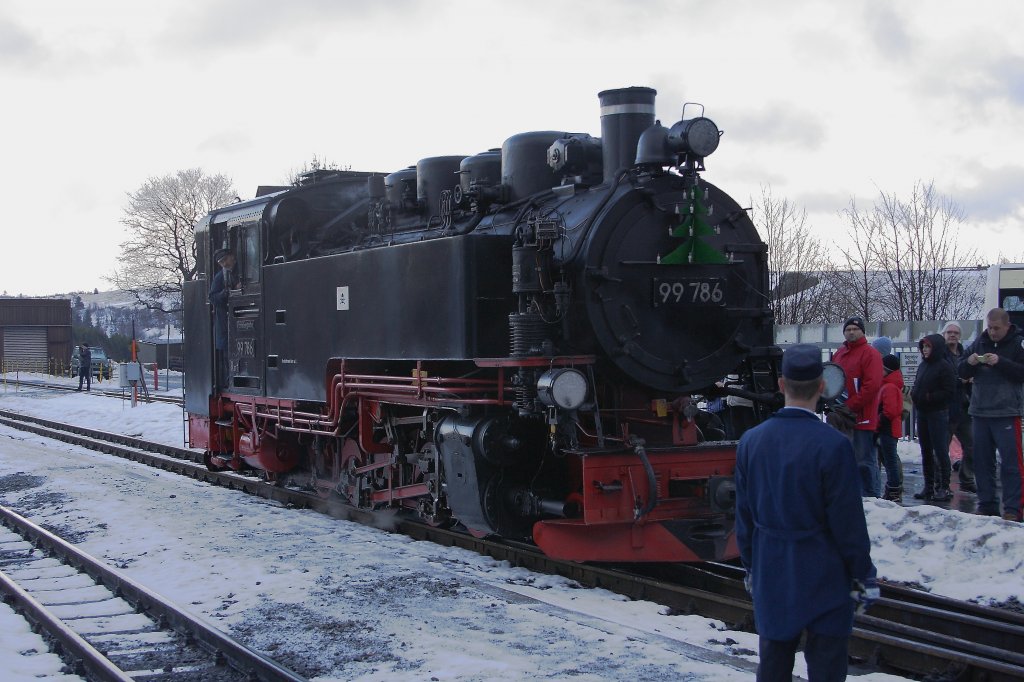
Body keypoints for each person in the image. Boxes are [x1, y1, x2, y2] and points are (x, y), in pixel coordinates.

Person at [736, 343, 878, 681]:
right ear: (822, 386)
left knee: (773, 663)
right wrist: (862, 574)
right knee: (828, 665)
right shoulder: (834, 446)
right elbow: (849, 524)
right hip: (824, 573)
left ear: (781, 385)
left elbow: (744, 519)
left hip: (772, 568)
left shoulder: (750, 442)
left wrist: (751, 566)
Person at [958, 308, 1024, 522]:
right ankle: (987, 504)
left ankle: (1013, 508)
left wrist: (1001, 362)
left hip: (1006, 411)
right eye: (990, 327)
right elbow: (960, 370)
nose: (993, 332)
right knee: (982, 462)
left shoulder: (1017, 344)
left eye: (997, 328)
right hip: (979, 411)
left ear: (1007, 326)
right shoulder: (979, 343)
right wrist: (969, 363)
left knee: (1011, 462)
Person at [832, 315, 884, 497]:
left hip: (862, 416)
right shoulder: (839, 354)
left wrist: (851, 406)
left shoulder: (871, 354)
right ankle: (852, 495)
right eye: (848, 329)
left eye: (855, 329)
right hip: (840, 415)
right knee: (845, 459)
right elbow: (831, 381)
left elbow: (872, 385)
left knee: (865, 460)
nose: (851, 332)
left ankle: (872, 497)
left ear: (862, 331)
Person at [911, 334, 956, 502]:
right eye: (923, 347)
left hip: (937, 413)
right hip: (922, 412)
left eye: (928, 347)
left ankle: (944, 486)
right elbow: (918, 384)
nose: (925, 350)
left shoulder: (944, 366)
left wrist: (930, 397)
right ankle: (928, 486)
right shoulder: (923, 365)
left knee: (941, 450)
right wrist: (916, 395)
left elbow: (949, 391)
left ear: (936, 348)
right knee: (926, 450)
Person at [942, 322, 977, 493]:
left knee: (971, 446)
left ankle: (967, 478)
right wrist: (959, 381)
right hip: (947, 408)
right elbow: (938, 378)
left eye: (955, 332)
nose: (952, 335)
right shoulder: (940, 355)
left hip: (964, 407)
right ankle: (941, 481)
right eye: (949, 332)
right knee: (941, 448)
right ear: (944, 334)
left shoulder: (965, 354)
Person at [876, 354, 905, 503]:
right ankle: (893, 489)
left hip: (887, 430)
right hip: (889, 429)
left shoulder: (888, 387)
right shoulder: (890, 385)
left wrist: (877, 422)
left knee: (890, 460)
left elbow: (890, 411)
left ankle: (893, 490)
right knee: (889, 459)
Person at [209, 248, 236, 389]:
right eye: (221, 262)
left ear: (232, 256)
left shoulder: (240, 272)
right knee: (227, 354)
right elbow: (212, 297)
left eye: (225, 260)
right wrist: (225, 293)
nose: (224, 264)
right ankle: (228, 379)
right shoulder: (220, 277)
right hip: (225, 323)